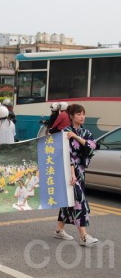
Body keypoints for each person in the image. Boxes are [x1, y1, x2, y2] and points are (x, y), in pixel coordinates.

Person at [54, 104, 98, 246]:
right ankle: (83, 236)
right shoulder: (65, 131)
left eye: (83, 114)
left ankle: (59, 230)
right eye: (79, 114)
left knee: (69, 199)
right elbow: (66, 154)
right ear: (71, 116)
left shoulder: (86, 132)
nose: (82, 117)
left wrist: (76, 137)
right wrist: (71, 173)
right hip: (69, 170)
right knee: (79, 200)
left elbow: (92, 147)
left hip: (81, 171)